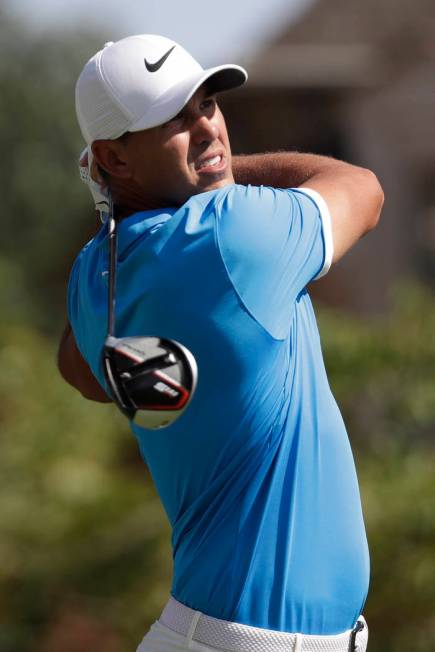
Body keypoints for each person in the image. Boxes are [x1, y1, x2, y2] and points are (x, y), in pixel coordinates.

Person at [58, 34, 383, 652]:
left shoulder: (96, 270)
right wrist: (227, 178)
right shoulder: (231, 235)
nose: (207, 127)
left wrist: (156, 190)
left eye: (207, 104)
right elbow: (361, 188)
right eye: (174, 120)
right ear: (114, 159)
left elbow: (78, 370)